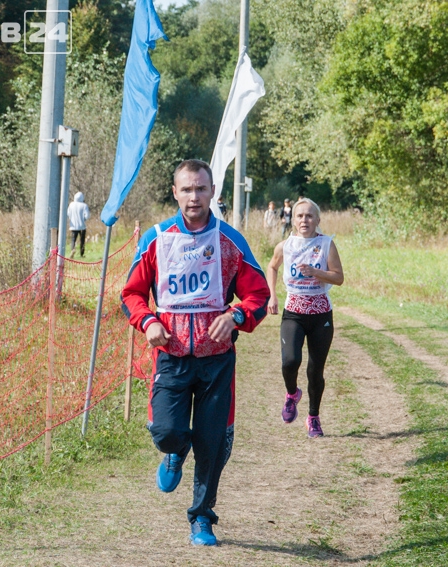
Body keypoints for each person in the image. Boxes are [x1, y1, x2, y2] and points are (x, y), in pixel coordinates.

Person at [122, 159, 270, 546]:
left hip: (216, 359)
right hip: (171, 354)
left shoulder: (230, 241)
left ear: (212, 192)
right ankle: (175, 451)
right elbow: (131, 294)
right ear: (175, 192)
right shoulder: (156, 238)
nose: (194, 196)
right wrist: (148, 322)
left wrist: (235, 315)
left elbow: (259, 295)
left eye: (201, 189)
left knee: (213, 442)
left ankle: (202, 517)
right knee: (167, 432)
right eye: (187, 189)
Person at [266, 198, 344, 438]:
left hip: (321, 314)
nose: (304, 220)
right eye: (300, 216)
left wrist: (316, 272)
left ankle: (313, 417)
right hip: (294, 312)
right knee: (290, 361)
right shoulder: (285, 246)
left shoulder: (326, 244)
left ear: (317, 220)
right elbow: (272, 267)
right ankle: (292, 394)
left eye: (309, 216)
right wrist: (272, 296)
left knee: (315, 370)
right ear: (293, 220)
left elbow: (339, 277)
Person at [67, 191, 90, 258]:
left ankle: (73, 249)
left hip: (73, 226)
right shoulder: (84, 205)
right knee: (82, 240)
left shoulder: (71, 205)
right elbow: (87, 216)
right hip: (82, 226)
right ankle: (82, 254)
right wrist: (84, 219)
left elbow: (68, 214)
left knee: (73, 239)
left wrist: (71, 219)